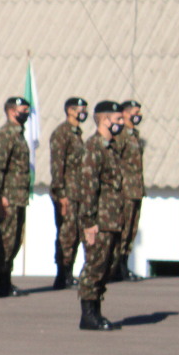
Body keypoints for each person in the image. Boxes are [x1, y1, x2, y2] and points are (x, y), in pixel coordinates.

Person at [76, 101, 127, 330]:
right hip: (99, 221)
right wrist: (89, 222)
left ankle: (96, 310)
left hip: (113, 219)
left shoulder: (111, 147)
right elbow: (88, 187)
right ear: (105, 120)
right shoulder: (94, 147)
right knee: (94, 266)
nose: (121, 123)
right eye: (117, 119)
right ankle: (88, 315)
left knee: (107, 266)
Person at [0, 96, 32, 297]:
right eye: (23, 109)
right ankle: (1, 282)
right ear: (12, 111)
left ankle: (7, 280)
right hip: (7, 198)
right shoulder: (5, 135)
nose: (26, 113)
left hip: (18, 197)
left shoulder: (18, 135)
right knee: (5, 239)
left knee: (13, 240)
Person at [48, 97, 87, 290]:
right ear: (69, 110)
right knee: (66, 234)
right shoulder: (61, 133)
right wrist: (60, 194)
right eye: (80, 109)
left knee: (76, 234)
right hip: (67, 193)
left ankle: (69, 271)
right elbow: (57, 165)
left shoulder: (77, 133)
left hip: (78, 193)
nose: (83, 112)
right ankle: (61, 273)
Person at [112, 99, 146, 282]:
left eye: (138, 112)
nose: (137, 115)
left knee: (131, 230)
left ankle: (124, 264)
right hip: (125, 189)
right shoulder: (120, 135)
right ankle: (117, 267)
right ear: (124, 113)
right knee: (123, 229)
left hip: (136, 189)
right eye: (134, 112)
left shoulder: (134, 135)